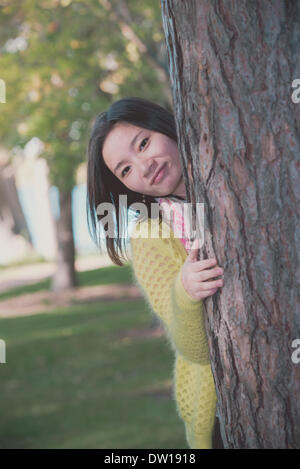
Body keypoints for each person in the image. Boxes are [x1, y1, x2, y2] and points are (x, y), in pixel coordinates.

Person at [86, 97, 224, 449]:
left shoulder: (231, 179)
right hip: (224, 408)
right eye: (126, 170)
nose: (144, 167)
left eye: (143, 143)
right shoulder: (151, 236)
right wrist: (185, 291)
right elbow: (194, 350)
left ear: (165, 126)